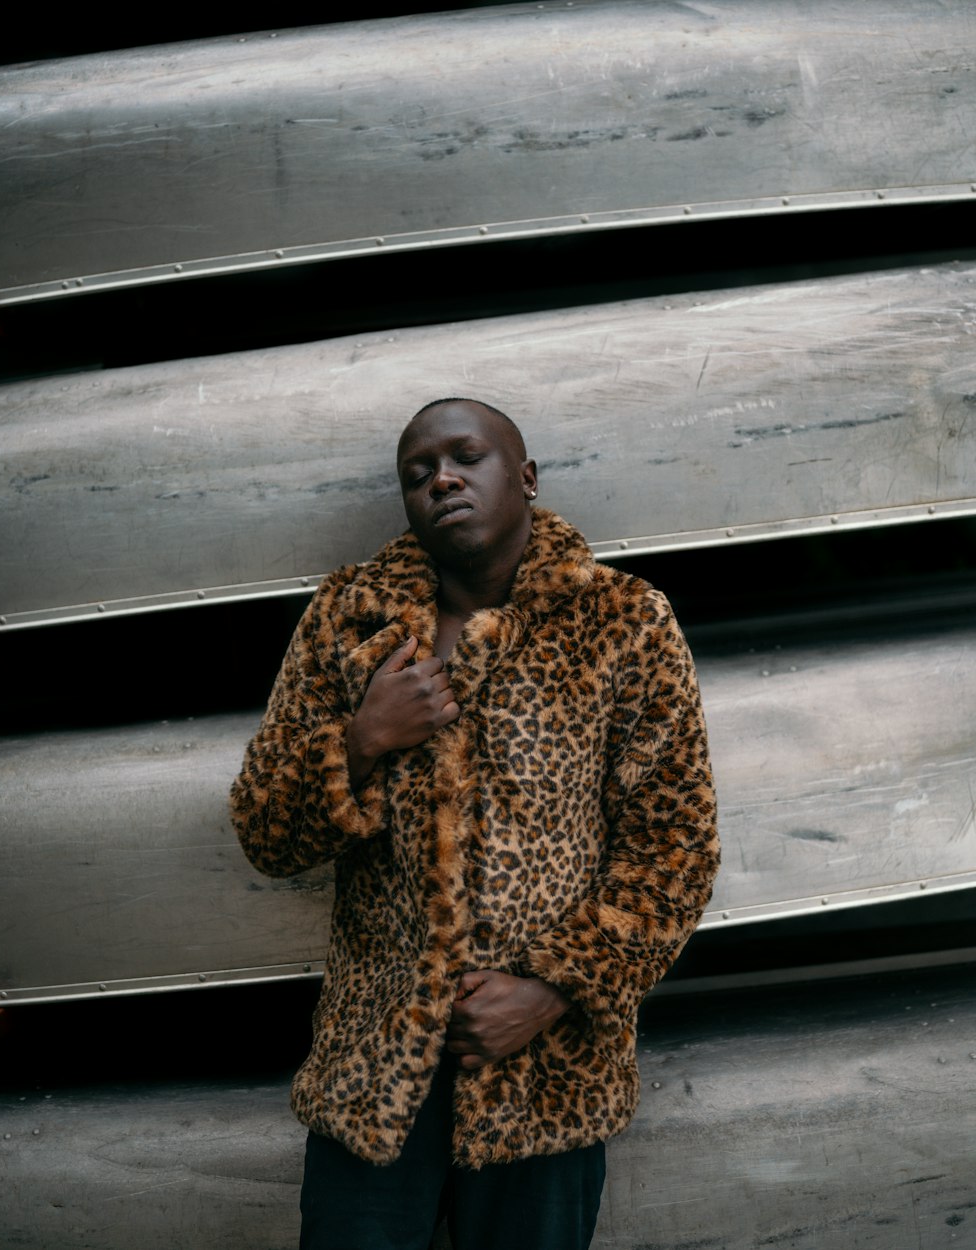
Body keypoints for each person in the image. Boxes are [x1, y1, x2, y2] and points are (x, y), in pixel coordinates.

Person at [229, 397, 719, 1250]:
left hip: (544, 1075)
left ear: (524, 478)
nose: (441, 479)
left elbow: (673, 848)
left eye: (466, 457)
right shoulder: (352, 621)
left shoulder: (623, 622)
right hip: (373, 1069)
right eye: (418, 474)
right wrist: (362, 741)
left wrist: (551, 988)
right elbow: (266, 831)